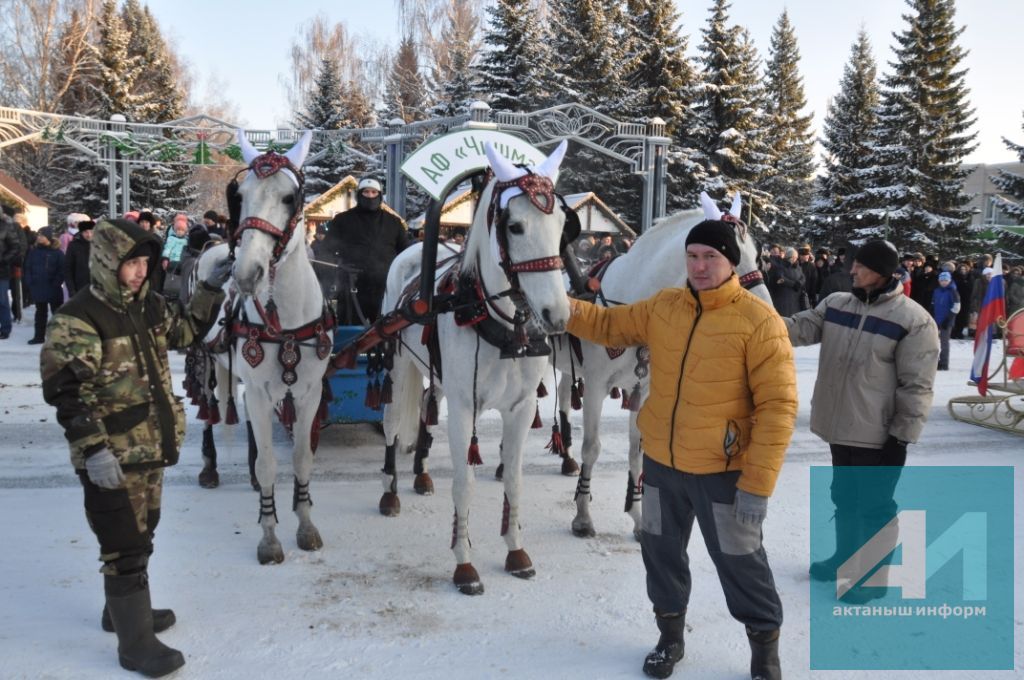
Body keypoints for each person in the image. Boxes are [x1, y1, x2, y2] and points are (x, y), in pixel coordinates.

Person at [567, 219, 797, 680]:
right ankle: (670, 636)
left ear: (732, 262)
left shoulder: (759, 321)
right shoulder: (665, 307)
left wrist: (758, 485)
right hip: (661, 467)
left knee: (741, 563)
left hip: (723, 471)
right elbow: (607, 324)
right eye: (692, 256)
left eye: (711, 257)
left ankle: (764, 650)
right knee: (661, 556)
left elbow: (778, 408)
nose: (700, 265)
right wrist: (557, 303)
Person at [40, 218, 231, 678]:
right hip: (110, 455)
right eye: (131, 263)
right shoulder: (79, 318)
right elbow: (67, 394)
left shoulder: (148, 307)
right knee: (121, 542)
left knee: (142, 532)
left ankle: (122, 613)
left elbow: (186, 333)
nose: (140, 271)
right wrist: (93, 450)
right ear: (107, 263)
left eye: (145, 262)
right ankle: (136, 644)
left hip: (148, 447)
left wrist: (206, 289)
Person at [785, 239, 938, 602]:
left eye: (861, 266)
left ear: (882, 273)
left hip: (881, 435)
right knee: (844, 496)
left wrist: (900, 437)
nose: (851, 270)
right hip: (842, 426)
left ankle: (873, 578)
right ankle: (845, 558)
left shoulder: (913, 321)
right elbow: (797, 327)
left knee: (876, 507)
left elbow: (917, 386)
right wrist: (751, 315)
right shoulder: (837, 304)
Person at [323, 177, 410, 324]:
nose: (370, 196)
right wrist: (339, 265)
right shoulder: (342, 220)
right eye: (366, 192)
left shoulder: (393, 222)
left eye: (373, 192)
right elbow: (326, 250)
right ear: (359, 194)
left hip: (385, 287)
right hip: (352, 287)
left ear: (380, 195)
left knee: (386, 330)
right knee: (351, 334)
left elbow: (405, 253)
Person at [23, 227, 65, 344]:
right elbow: (28, 267)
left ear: (48, 237)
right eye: (39, 235)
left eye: (42, 235)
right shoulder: (34, 252)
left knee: (57, 313)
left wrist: (56, 283)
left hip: (53, 288)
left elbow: (62, 270)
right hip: (38, 287)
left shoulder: (57, 253)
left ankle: (60, 338)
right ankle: (39, 336)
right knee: (40, 313)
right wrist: (30, 281)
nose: (39, 237)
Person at [931, 271, 961, 370]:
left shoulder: (953, 291)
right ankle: (934, 361)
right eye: (942, 280)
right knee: (933, 342)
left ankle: (944, 363)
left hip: (947, 321)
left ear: (949, 281)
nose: (944, 282)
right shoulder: (937, 290)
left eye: (946, 280)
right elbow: (933, 303)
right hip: (936, 319)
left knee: (944, 342)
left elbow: (956, 307)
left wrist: (948, 319)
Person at [770, 247, 805, 316]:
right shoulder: (780, 266)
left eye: (796, 257)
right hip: (783, 298)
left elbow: (803, 278)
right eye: (793, 257)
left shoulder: (798, 267)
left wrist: (799, 283)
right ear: (788, 257)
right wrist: (794, 284)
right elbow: (781, 279)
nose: (795, 259)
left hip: (796, 299)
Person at [64, 220, 95, 297]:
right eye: (86, 232)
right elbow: (68, 269)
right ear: (81, 232)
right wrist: (71, 290)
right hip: (79, 289)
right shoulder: (74, 246)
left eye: (91, 231)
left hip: (97, 290)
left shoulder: (100, 245)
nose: (89, 235)